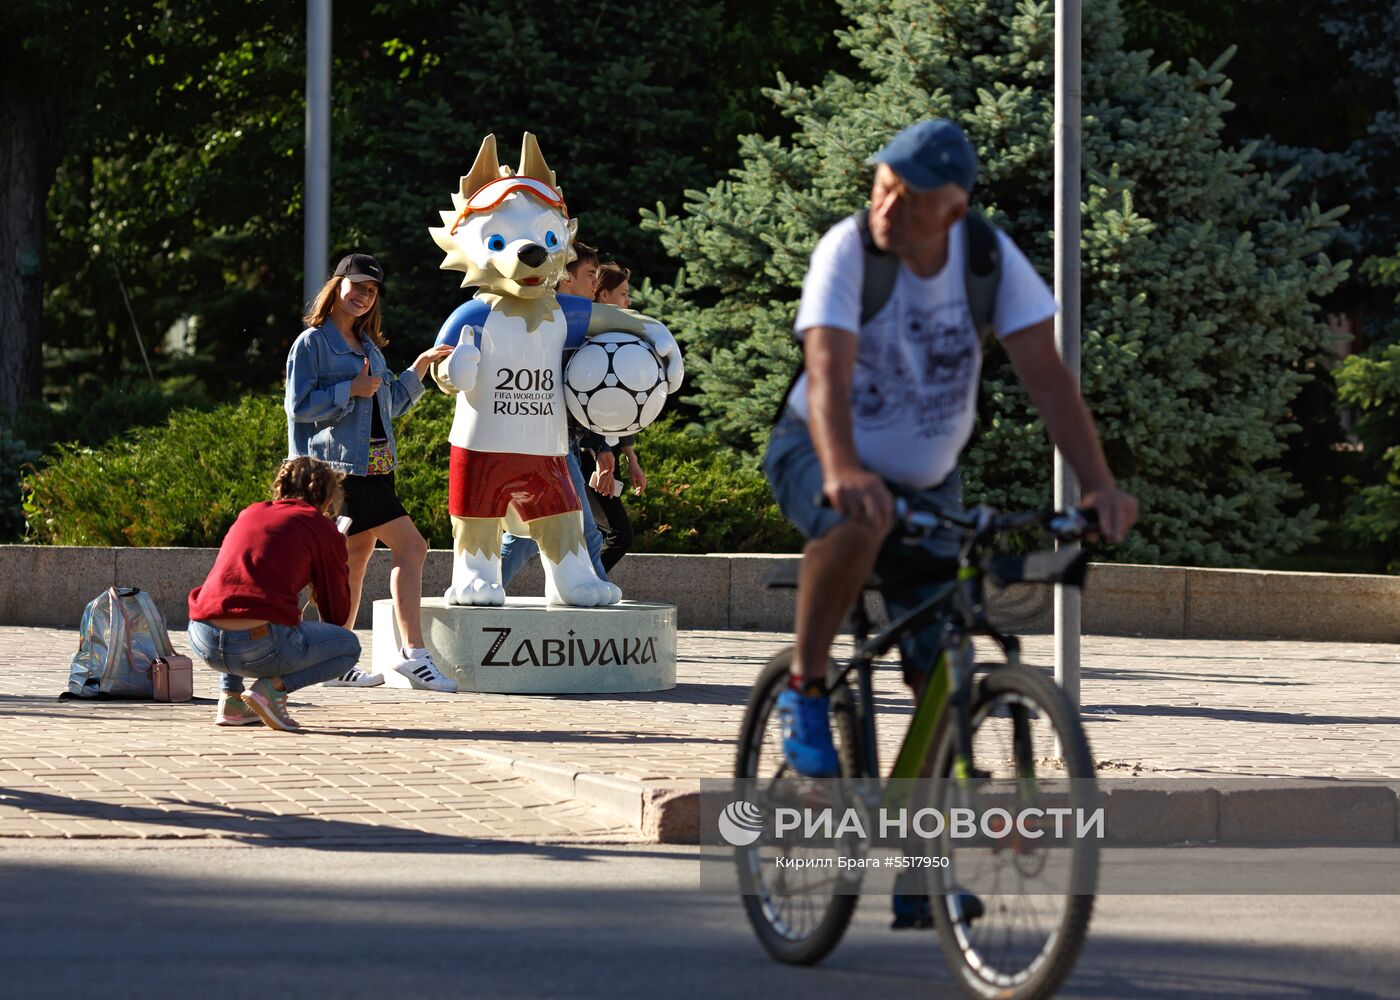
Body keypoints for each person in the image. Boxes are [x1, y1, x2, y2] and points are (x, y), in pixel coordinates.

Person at [764, 119, 1139, 779]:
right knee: (857, 519)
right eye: (882, 188)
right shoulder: (848, 250)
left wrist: (1098, 485)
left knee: (942, 678)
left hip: (929, 481)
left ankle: (919, 878)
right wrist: (845, 469)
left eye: (907, 199)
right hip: (817, 448)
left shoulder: (987, 259)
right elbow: (825, 370)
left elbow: (1049, 381)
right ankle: (806, 690)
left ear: (954, 210)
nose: (886, 208)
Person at [286, 252, 457, 692]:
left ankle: (330, 659)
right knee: (413, 547)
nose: (363, 296)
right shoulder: (313, 344)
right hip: (342, 471)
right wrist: (350, 389)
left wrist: (417, 369)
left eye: (372, 291)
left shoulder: (368, 346)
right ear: (337, 285)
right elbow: (299, 407)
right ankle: (414, 656)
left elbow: (390, 405)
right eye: (357, 286)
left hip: (378, 466)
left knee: (352, 565)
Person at [187, 458, 361, 732]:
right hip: (259, 645)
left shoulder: (251, 512)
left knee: (237, 599)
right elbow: (336, 616)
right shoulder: (320, 527)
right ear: (329, 498)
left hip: (202, 637)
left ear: (280, 487)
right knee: (350, 647)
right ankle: (270, 691)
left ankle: (231, 702)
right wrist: (337, 551)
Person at [498, 241, 610, 586]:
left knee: (523, 536)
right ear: (565, 280)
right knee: (582, 530)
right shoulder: (552, 325)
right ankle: (599, 614)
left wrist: (600, 445)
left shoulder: (572, 326)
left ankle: (480, 592)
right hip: (547, 447)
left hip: (560, 444)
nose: (597, 283)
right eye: (590, 275)